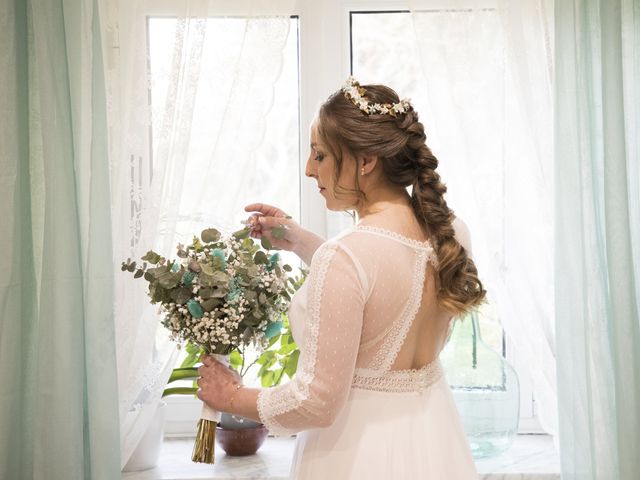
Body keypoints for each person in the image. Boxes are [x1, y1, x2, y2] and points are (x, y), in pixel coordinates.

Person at [197, 77, 486, 479]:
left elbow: (316, 403)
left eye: (320, 155)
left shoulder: (347, 256)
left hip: (358, 455)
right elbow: (383, 284)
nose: (309, 169)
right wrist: (300, 241)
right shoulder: (452, 233)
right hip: (434, 444)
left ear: (365, 161)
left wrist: (230, 395)